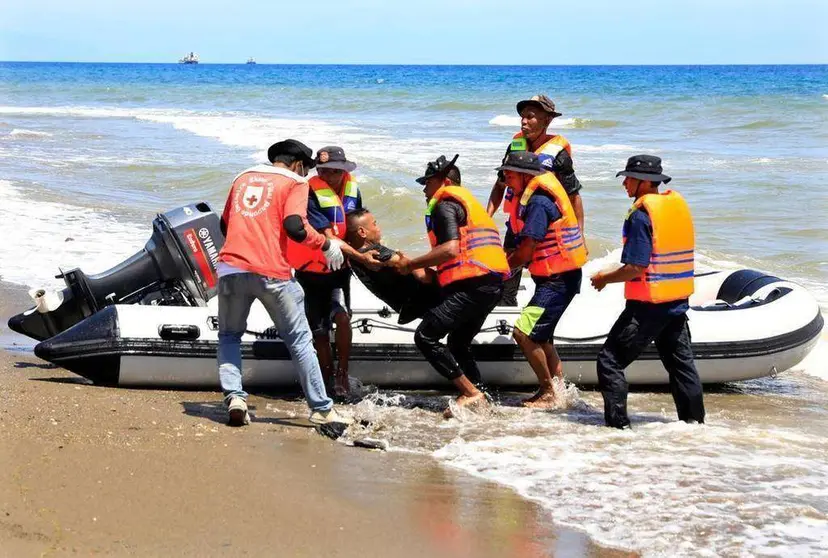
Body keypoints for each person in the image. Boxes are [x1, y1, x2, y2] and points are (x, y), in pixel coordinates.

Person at [216, 139, 351, 427]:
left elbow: (225, 225)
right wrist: (325, 244)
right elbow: (294, 226)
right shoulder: (294, 182)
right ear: (298, 164)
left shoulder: (242, 177)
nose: (306, 174)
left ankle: (236, 398)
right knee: (300, 340)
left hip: (230, 268)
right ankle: (322, 409)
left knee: (229, 336)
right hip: (271, 272)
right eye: (306, 169)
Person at [590, 155, 705, 429]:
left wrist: (604, 277)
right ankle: (694, 425)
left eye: (628, 178)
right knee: (681, 366)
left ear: (643, 183)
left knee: (609, 361)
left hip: (647, 308)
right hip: (676, 303)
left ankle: (618, 429)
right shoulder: (673, 208)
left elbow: (635, 267)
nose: (625, 184)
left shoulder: (641, 216)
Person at [391, 155, 509, 416]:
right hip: (491, 285)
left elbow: (451, 250)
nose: (424, 189)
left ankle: (471, 393)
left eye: (428, 182)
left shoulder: (445, 204)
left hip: (474, 287)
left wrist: (409, 265)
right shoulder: (468, 205)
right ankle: (480, 398)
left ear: (445, 181)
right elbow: (460, 255)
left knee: (425, 336)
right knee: (458, 342)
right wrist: (424, 272)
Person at [495, 151, 587, 407]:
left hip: (557, 282)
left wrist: (501, 270)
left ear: (525, 176)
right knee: (543, 337)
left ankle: (547, 393)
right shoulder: (537, 196)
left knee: (524, 334)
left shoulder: (538, 203)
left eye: (509, 174)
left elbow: (526, 250)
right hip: (559, 278)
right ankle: (560, 392)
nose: (505, 179)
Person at [286, 146, 375, 398]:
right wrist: (357, 256)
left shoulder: (352, 189)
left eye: (334, 171)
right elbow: (325, 231)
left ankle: (342, 374)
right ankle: (325, 377)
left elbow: (359, 221)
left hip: (339, 268)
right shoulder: (308, 190)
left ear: (343, 170)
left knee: (343, 317)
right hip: (311, 270)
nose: (328, 175)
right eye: (323, 170)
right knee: (320, 330)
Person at [487, 95, 585, 306]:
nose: (524, 122)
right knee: (504, 286)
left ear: (547, 120)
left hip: (543, 229)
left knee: (546, 280)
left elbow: (573, 196)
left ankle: (538, 325)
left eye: (531, 117)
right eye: (522, 117)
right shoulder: (515, 146)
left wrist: (580, 236)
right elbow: (500, 185)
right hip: (515, 225)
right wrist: (486, 218)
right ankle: (507, 320)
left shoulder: (558, 153)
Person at [345, 208, 442, 324]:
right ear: (362, 232)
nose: (378, 228)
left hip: (409, 307)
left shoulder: (353, 257)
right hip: (429, 300)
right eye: (375, 224)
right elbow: (422, 276)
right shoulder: (376, 252)